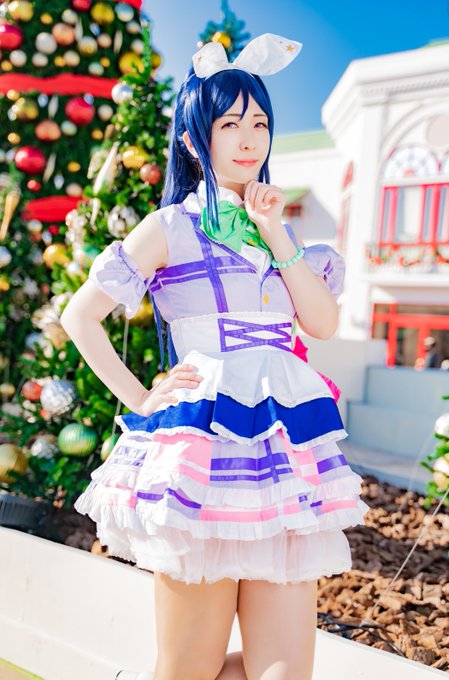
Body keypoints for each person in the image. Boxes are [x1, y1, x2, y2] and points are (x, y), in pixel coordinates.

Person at [61, 33, 370, 680]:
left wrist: (275, 232)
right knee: (188, 669)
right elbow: (79, 316)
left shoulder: (280, 230)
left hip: (282, 458)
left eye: (259, 122)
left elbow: (320, 323)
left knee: (283, 674)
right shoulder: (169, 227)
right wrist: (141, 398)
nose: (249, 137)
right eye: (229, 123)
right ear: (193, 139)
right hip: (202, 456)